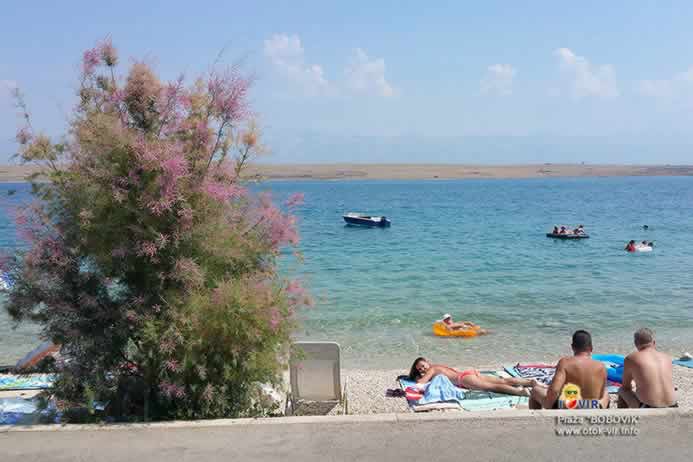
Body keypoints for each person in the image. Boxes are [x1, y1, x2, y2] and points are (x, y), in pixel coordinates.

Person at [529, 330, 610, 409]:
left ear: (572, 347)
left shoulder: (565, 362)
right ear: (591, 348)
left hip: (569, 406)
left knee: (535, 390)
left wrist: (548, 404)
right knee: (606, 394)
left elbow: (554, 390)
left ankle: (536, 420)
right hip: (592, 406)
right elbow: (601, 395)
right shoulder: (601, 366)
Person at [408, 357, 535, 396]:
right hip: (468, 373)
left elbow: (420, 383)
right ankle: (530, 382)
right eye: (420, 369)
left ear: (427, 362)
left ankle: (521, 392)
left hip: (464, 379)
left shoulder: (432, 369)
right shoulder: (436, 366)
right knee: (503, 380)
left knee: (494, 387)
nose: (423, 369)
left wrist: (419, 376)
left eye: (422, 366)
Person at [617, 328, 677, 408]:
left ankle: (624, 418)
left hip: (649, 408)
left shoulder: (631, 358)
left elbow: (626, 386)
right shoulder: (666, 357)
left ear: (635, 344)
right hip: (673, 406)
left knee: (622, 390)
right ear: (654, 342)